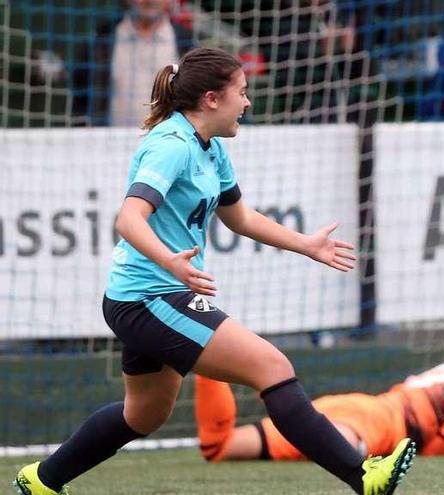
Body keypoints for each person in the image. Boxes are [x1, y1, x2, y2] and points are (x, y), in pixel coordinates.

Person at [14, 47, 414, 495]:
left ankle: (41, 481)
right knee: (272, 366)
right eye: (241, 93)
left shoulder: (212, 147)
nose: (247, 102)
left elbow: (239, 217)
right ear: (210, 98)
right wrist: (168, 260)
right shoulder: (171, 146)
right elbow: (128, 219)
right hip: (149, 298)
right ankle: (365, 477)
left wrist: (306, 245)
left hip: (150, 296)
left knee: (143, 415)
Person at [194, 327, 444, 462]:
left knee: (218, 446)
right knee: (345, 459)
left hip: (356, 407)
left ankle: (202, 358)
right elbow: (437, 448)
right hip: (375, 429)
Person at [71, 0, 197, 126]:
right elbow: (81, 104)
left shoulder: (187, 44)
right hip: (110, 142)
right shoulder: (100, 42)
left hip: (170, 143)